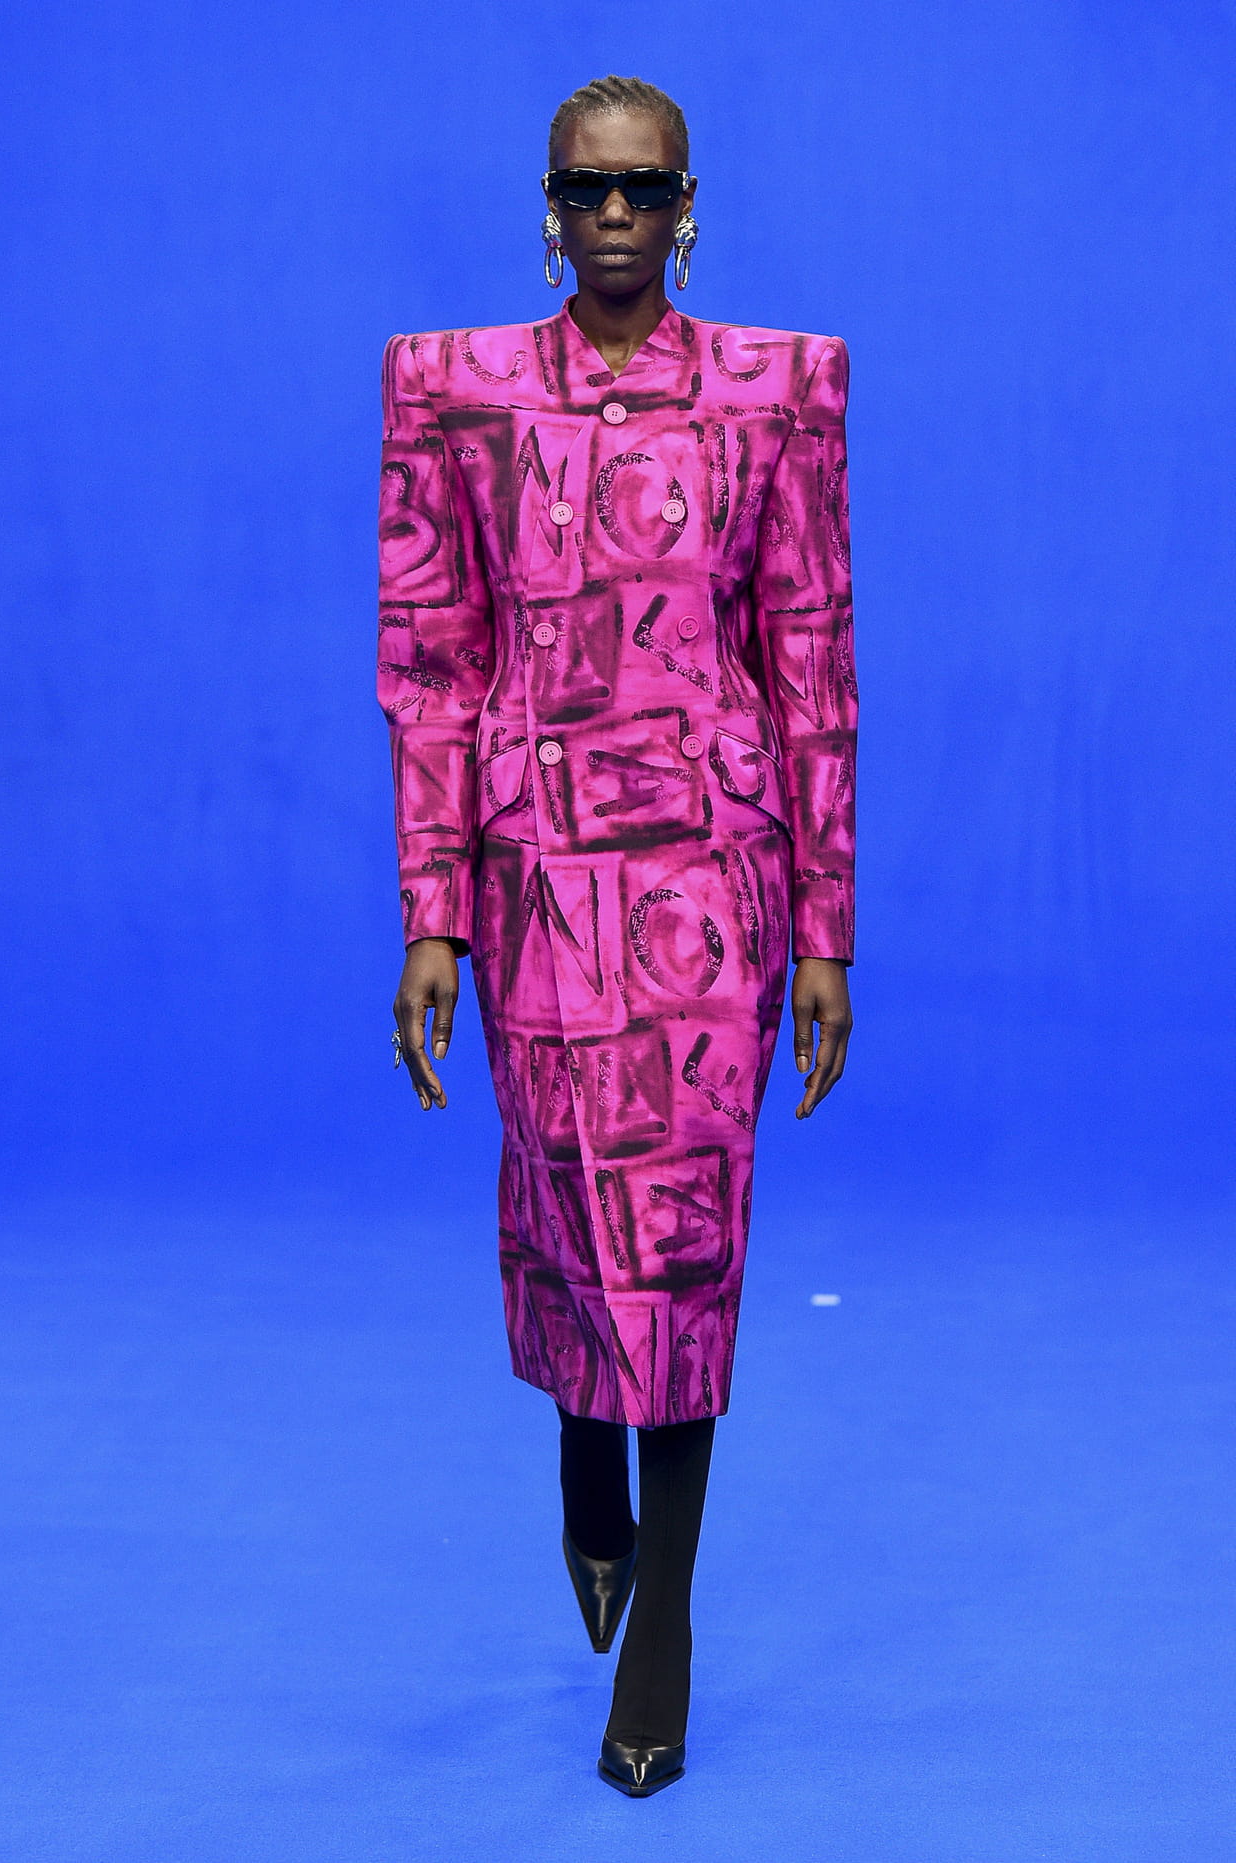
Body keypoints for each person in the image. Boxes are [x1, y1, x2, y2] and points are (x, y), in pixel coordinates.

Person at [378, 74, 856, 1797]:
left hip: (717, 877)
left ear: (689, 207)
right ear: (548, 207)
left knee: (691, 1234)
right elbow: (431, 665)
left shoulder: (779, 392)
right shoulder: (456, 391)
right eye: (585, 190)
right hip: (540, 878)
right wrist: (434, 908)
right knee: (572, 1191)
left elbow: (813, 658)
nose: (613, 219)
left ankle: (666, 1621)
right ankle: (588, 1455)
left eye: (644, 190)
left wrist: (828, 922)